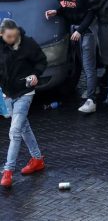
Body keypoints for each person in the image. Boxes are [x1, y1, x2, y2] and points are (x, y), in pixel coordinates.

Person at [0, 19, 47, 188]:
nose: (12, 40)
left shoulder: (28, 44)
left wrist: (36, 74)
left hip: (25, 92)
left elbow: (42, 60)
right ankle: (37, 159)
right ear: (1, 35)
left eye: (15, 36)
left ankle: (8, 171)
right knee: (23, 127)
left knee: (15, 131)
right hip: (7, 94)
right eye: (9, 37)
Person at [45, 0, 97, 113]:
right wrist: (56, 12)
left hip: (86, 30)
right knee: (78, 61)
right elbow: (67, 6)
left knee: (88, 64)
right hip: (72, 29)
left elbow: (91, 11)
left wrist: (81, 30)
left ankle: (92, 99)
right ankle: (91, 88)